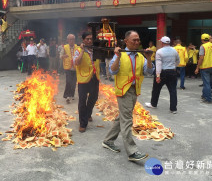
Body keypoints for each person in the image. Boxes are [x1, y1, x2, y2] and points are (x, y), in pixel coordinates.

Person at [102, 30, 154, 161]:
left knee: (123, 117)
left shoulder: (141, 56)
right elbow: (112, 70)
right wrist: (118, 57)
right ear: (126, 41)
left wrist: (148, 58)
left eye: (138, 40)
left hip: (134, 90)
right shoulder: (120, 54)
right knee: (127, 120)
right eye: (134, 40)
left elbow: (148, 72)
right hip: (123, 90)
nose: (137, 42)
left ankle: (108, 141)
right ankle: (132, 152)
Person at [145, 36, 180, 113]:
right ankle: (173, 109)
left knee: (156, 89)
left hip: (162, 72)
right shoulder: (174, 51)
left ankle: (153, 104)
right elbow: (178, 61)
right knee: (173, 90)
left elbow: (158, 64)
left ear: (162, 43)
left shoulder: (159, 51)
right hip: (172, 72)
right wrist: (173, 66)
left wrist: (158, 76)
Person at [74, 32, 100, 133]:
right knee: (82, 101)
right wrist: (82, 51)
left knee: (94, 98)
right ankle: (83, 123)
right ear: (83, 40)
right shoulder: (78, 50)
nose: (89, 41)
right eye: (87, 39)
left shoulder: (95, 50)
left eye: (91, 39)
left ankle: (88, 114)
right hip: (83, 79)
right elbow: (77, 62)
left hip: (94, 78)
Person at [195, 34, 212, 103]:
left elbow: (201, 58)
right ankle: (204, 95)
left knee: (206, 83)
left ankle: (208, 99)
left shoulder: (203, 46)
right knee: (207, 83)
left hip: (205, 67)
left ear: (202, 40)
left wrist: (197, 68)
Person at [60, 34, 78, 103]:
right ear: (67, 40)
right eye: (70, 39)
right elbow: (60, 56)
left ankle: (72, 95)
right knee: (68, 81)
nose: (71, 41)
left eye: (73, 39)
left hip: (75, 68)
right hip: (68, 68)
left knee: (73, 83)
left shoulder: (77, 47)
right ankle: (67, 95)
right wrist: (65, 56)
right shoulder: (64, 47)